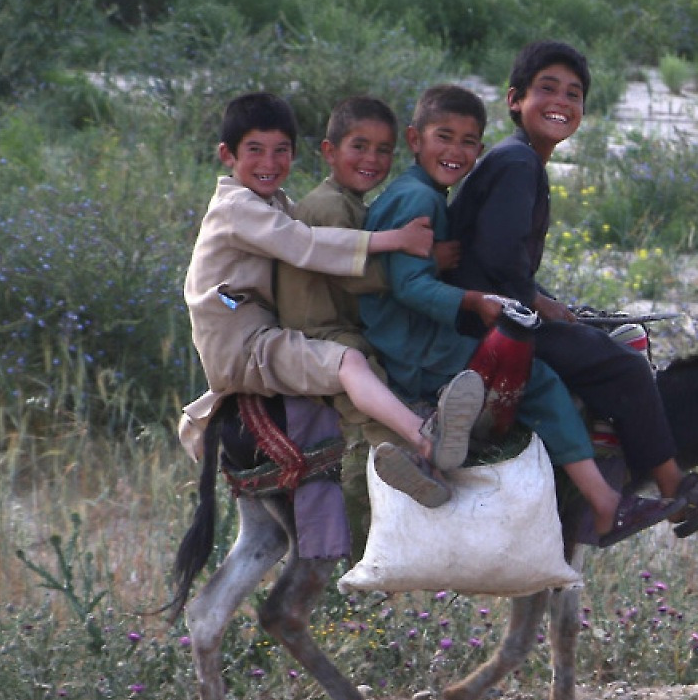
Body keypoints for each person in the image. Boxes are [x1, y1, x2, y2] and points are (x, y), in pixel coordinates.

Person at [445, 41, 698, 538]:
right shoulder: (519, 163)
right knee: (626, 368)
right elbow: (501, 258)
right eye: (547, 89)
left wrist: (549, 302)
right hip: (487, 321)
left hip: (497, 307)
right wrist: (539, 304)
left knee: (600, 334)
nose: (561, 102)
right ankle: (676, 491)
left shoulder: (518, 159)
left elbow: (498, 258)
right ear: (514, 100)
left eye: (574, 94)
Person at [361, 83, 681, 546]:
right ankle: (603, 501)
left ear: (482, 148)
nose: (456, 151)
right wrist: (474, 302)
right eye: (443, 137)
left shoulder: (419, 191)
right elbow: (408, 286)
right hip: (415, 345)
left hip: (410, 334)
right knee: (539, 378)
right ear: (415, 140)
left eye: (468, 142)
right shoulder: (420, 200)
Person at [177, 91, 484, 512]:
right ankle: (420, 440)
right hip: (244, 346)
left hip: (260, 335)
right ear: (226, 155)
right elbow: (307, 246)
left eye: (280, 151)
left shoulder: (276, 203)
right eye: (255, 151)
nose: (269, 163)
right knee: (351, 363)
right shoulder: (237, 208)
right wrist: (403, 244)